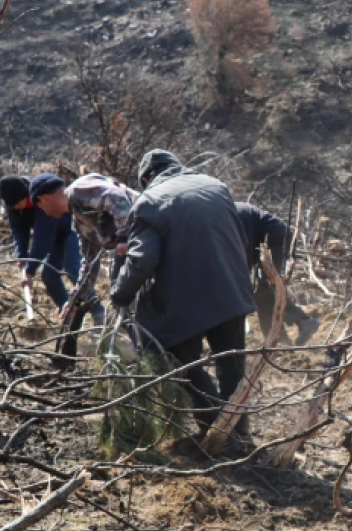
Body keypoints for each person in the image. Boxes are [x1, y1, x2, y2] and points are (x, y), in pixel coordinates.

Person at [110, 150, 256, 444]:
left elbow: (142, 260)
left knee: (180, 359)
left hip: (187, 298)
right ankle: (239, 433)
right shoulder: (216, 186)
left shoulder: (149, 202)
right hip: (232, 288)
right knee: (232, 367)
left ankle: (215, 429)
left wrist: (120, 294)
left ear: (146, 177)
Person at [31, 173, 132, 325]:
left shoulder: (78, 191)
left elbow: (116, 196)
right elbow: (89, 265)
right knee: (120, 291)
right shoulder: (79, 222)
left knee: (123, 288)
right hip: (139, 245)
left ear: (43, 199)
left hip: (155, 228)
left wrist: (124, 238)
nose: (44, 212)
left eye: (39, 207)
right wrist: (75, 301)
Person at [0, 174, 96, 322]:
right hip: (53, 237)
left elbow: (43, 240)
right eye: (13, 207)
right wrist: (22, 256)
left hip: (70, 230)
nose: (16, 208)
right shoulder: (12, 202)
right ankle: (69, 317)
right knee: (49, 275)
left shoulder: (40, 196)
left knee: (73, 268)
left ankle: (98, 312)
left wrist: (30, 270)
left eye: (19, 204)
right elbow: (19, 230)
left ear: (26, 193)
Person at [234, 201, 320, 344]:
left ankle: (303, 322)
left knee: (267, 289)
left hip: (276, 239)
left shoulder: (236, 216)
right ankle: (278, 341)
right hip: (267, 242)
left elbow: (245, 250)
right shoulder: (230, 212)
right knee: (262, 293)